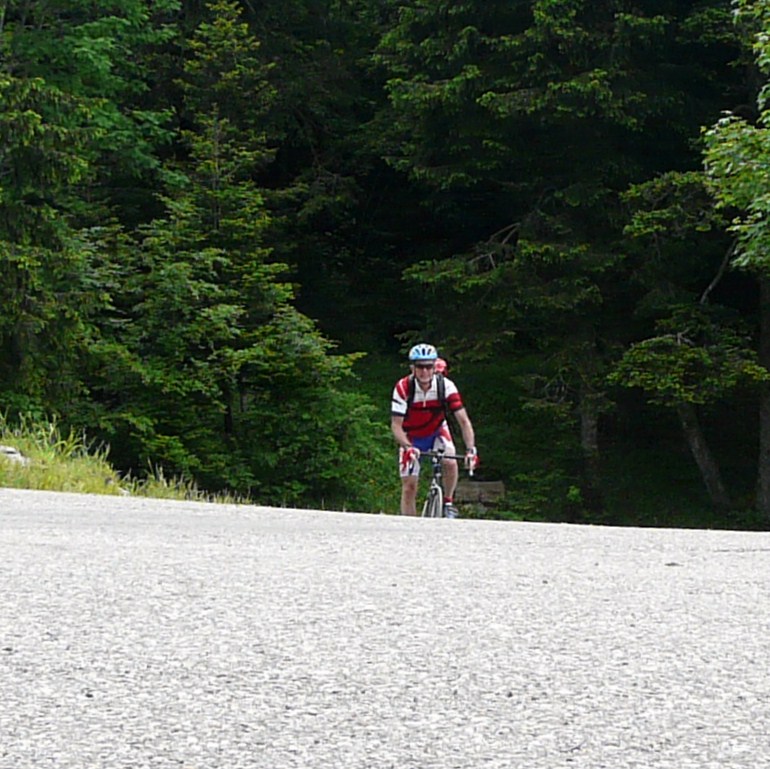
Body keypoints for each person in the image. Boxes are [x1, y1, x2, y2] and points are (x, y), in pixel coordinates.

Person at [390, 343, 479, 517]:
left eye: (428, 366)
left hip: (437, 431)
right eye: (420, 367)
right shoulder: (403, 387)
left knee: (450, 460)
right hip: (410, 437)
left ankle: (448, 502)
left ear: (434, 367)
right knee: (409, 486)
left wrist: (470, 450)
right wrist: (407, 447)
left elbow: (464, 421)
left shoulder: (445, 386)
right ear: (412, 368)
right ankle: (410, 526)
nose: (424, 371)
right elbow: (396, 425)